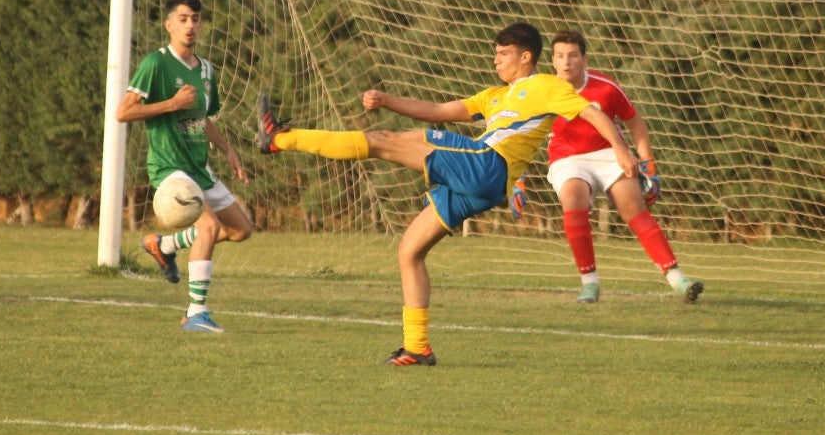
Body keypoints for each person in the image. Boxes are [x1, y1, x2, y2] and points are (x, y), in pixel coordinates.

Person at [257, 22, 639, 366]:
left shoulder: (546, 85)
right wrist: (389, 100)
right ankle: (417, 347)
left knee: (381, 142)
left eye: (503, 54)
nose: (496, 61)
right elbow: (439, 109)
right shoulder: (494, 96)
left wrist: (622, 150)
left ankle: (280, 139)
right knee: (409, 251)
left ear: (526, 57)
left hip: (488, 164)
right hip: (484, 186)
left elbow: (591, 112)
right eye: (495, 54)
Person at [115, 0, 254, 333]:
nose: (190, 25)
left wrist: (226, 148)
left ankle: (163, 245)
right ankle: (195, 313)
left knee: (240, 229)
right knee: (208, 228)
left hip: (199, 167)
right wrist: (170, 104)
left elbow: (202, 117)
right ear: (169, 25)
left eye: (195, 19)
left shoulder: (206, 69)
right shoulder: (155, 64)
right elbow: (124, 112)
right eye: (182, 19)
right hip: (169, 167)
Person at [536, 29, 702, 303]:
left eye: (573, 56)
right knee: (573, 197)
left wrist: (647, 162)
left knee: (632, 206)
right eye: (559, 56)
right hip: (568, 158)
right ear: (552, 60)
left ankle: (678, 280)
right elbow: (520, 134)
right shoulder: (543, 92)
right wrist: (517, 180)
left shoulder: (605, 86)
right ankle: (589, 283)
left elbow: (634, 121)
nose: (566, 62)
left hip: (610, 152)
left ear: (584, 59)